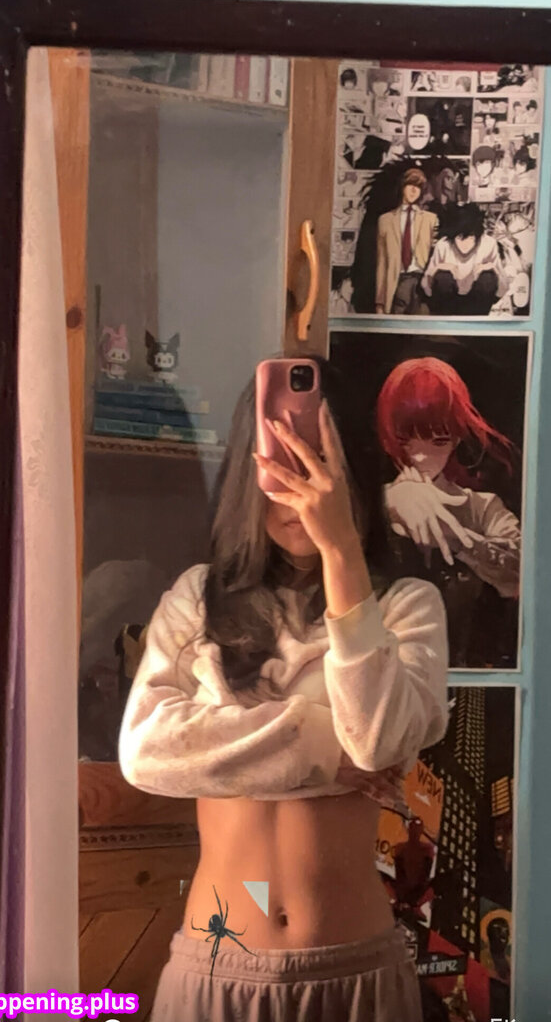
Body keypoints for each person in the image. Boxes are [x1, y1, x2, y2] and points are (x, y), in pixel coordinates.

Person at [118, 355, 449, 1022]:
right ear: (251, 468)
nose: (303, 486)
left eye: (322, 461)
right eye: (285, 459)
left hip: (356, 972)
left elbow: (377, 740)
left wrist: (341, 552)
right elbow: (147, 751)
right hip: (218, 969)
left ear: (356, 472)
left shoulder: (407, 606)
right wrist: (320, 746)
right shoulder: (198, 599)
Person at [376, 356, 521, 667]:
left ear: (455, 438)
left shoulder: (481, 507)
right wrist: (388, 502)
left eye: (438, 441)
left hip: (470, 674)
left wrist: (457, 537)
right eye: (405, 440)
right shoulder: (370, 503)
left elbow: (522, 576)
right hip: (385, 674)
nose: (420, 455)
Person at [421, 203, 508, 317]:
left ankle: (477, 322)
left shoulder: (488, 243)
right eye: (459, 238)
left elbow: (502, 289)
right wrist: (437, 268)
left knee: (487, 277)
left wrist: (493, 268)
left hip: (477, 305)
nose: (465, 244)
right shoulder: (443, 245)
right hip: (448, 305)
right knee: (443, 277)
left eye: (470, 237)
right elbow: (427, 289)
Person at [375, 167, 438, 314]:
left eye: (418, 187)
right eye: (410, 185)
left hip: (422, 279)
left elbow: (436, 254)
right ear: (402, 187)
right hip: (397, 279)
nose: (414, 190)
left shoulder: (431, 219)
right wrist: (379, 302)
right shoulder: (385, 220)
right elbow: (382, 262)